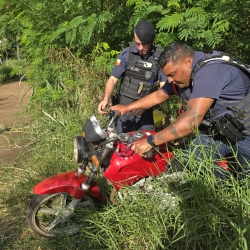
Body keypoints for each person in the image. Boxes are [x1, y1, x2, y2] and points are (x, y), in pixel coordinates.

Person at [110, 41, 250, 181]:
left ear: (187, 61)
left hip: (245, 134)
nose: (169, 80)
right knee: (189, 163)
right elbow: (159, 95)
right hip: (221, 131)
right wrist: (126, 108)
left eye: (172, 74)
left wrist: (150, 141)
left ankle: (229, 189)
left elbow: (191, 121)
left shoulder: (210, 73)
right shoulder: (184, 76)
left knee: (243, 179)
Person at [98, 20, 167, 133]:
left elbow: (164, 90)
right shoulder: (127, 54)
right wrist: (105, 99)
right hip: (123, 105)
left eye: (144, 44)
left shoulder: (159, 58)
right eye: (137, 43)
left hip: (145, 108)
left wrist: (144, 106)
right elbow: (113, 79)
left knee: (148, 140)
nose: (140, 48)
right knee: (115, 139)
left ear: (151, 41)